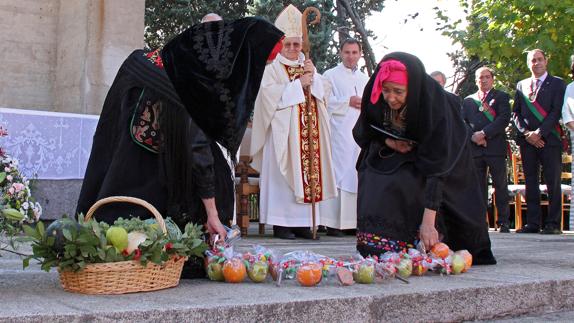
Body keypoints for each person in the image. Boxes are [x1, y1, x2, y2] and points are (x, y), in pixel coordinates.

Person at [76, 17, 283, 275]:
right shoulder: (193, 78)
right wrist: (212, 214)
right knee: (204, 180)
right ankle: (186, 251)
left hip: (129, 156)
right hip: (144, 163)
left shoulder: (163, 58)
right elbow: (197, 146)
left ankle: (123, 249)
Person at [353, 52, 496, 265]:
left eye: (399, 92)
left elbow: (438, 166)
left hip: (444, 159)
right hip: (400, 152)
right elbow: (363, 132)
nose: (391, 98)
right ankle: (378, 243)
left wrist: (428, 224)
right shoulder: (374, 93)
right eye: (386, 90)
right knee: (371, 168)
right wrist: (389, 142)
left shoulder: (437, 106)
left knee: (408, 180)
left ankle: (413, 242)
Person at [250, 4, 337, 240]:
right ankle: (282, 224)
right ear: (281, 45)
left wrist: (314, 79)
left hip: (309, 135)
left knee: (307, 175)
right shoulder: (272, 69)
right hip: (283, 136)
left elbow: (324, 95)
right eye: (287, 44)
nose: (292, 48)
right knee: (283, 180)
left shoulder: (308, 66)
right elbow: (266, 98)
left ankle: (303, 224)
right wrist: (299, 85)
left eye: (296, 44)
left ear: (302, 45)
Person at [512, 49, 566, 234]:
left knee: (553, 181)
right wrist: (527, 133)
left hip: (549, 140)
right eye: (533, 60)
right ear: (528, 64)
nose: (536, 63)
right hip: (528, 141)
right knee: (531, 181)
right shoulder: (521, 85)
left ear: (546, 61)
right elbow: (516, 113)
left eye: (539, 59)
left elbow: (556, 111)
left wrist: (539, 133)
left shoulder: (558, 83)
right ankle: (533, 223)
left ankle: (553, 223)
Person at [319, 38, 369, 237]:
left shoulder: (365, 79)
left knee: (355, 174)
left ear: (360, 54)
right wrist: (346, 101)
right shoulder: (330, 75)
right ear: (341, 53)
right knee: (337, 174)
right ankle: (332, 223)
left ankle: (351, 223)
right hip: (338, 131)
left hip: (358, 132)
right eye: (347, 52)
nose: (351, 56)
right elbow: (322, 101)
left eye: (354, 52)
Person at [462, 67, 511, 232]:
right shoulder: (468, 100)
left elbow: (504, 119)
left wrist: (484, 134)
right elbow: (463, 122)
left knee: (500, 186)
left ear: (492, 79)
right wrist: (475, 137)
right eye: (480, 77)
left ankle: (503, 221)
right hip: (475, 149)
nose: (483, 80)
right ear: (476, 80)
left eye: (487, 77)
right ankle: (479, 222)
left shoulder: (501, 97)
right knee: (477, 187)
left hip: (495, 147)